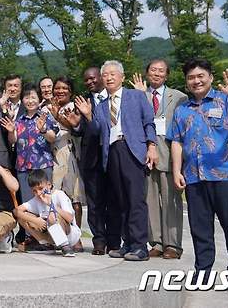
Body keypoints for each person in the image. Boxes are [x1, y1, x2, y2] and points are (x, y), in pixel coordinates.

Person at [170, 60, 228, 294]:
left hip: (226, 174)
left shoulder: (226, 99)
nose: (196, 81)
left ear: (210, 77)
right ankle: (203, 272)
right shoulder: (182, 109)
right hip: (194, 177)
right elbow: (177, 140)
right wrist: (177, 170)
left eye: (200, 76)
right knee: (200, 229)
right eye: (191, 77)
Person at [82, 60, 158, 261]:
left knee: (135, 199)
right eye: (105, 74)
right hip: (112, 152)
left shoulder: (137, 96)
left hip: (132, 149)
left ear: (122, 77)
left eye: (112, 74)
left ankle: (140, 245)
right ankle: (127, 243)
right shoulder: (100, 106)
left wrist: (152, 146)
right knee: (120, 201)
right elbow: (96, 132)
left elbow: (149, 122)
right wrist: (89, 116)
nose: (108, 77)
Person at [130, 59, 187, 259]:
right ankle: (156, 242)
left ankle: (173, 244)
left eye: (161, 71)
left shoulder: (179, 97)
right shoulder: (137, 97)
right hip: (145, 155)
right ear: (146, 73)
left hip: (170, 155)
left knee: (172, 201)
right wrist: (140, 95)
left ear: (167, 75)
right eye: (153, 70)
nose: (156, 73)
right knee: (150, 200)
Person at [73, 66, 111, 255]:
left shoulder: (114, 97)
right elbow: (80, 130)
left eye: (93, 78)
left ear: (102, 77)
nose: (90, 82)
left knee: (115, 200)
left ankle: (115, 239)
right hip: (91, 159)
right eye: (86, 79)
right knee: (94, 203)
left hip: (113, 156)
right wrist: (76, 124)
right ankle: (99, 241)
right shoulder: (82, 100)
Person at [0, 83, 57, 203]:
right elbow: (13, 140)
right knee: (28, 203)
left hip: (42, 165)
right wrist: (11, 132)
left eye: (33, 98)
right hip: (23, 167)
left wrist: (43, 130)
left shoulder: (45, 117)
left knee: (45, 201)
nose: (30, 101)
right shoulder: (19, 120)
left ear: (39, 100)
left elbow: (52, 138)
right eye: (26, 98)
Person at [46, 76, 85, 252]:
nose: (60, 91)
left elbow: (75, 128)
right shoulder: (47, 108)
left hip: (70, 155)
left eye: (64, 88)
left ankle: (76, 237)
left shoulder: (74, 108)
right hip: (52, 156)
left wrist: (57, 117)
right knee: (55, 198)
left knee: (74, 198)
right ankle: (60, 236)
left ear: (70, 91)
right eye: (57, 88)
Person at [14, 169, 81, 257]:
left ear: (49, 185)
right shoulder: (36, 199)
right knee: (23, 216)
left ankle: (65, 246)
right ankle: (46, 245)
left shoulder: (59, 194)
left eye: (41, 189)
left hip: (69, 234)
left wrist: (51, 204)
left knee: (51, 215)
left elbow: (70, 218)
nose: (38, 193)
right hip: (50, 234)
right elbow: (16, 211)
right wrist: (36, 220)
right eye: (34, 191)